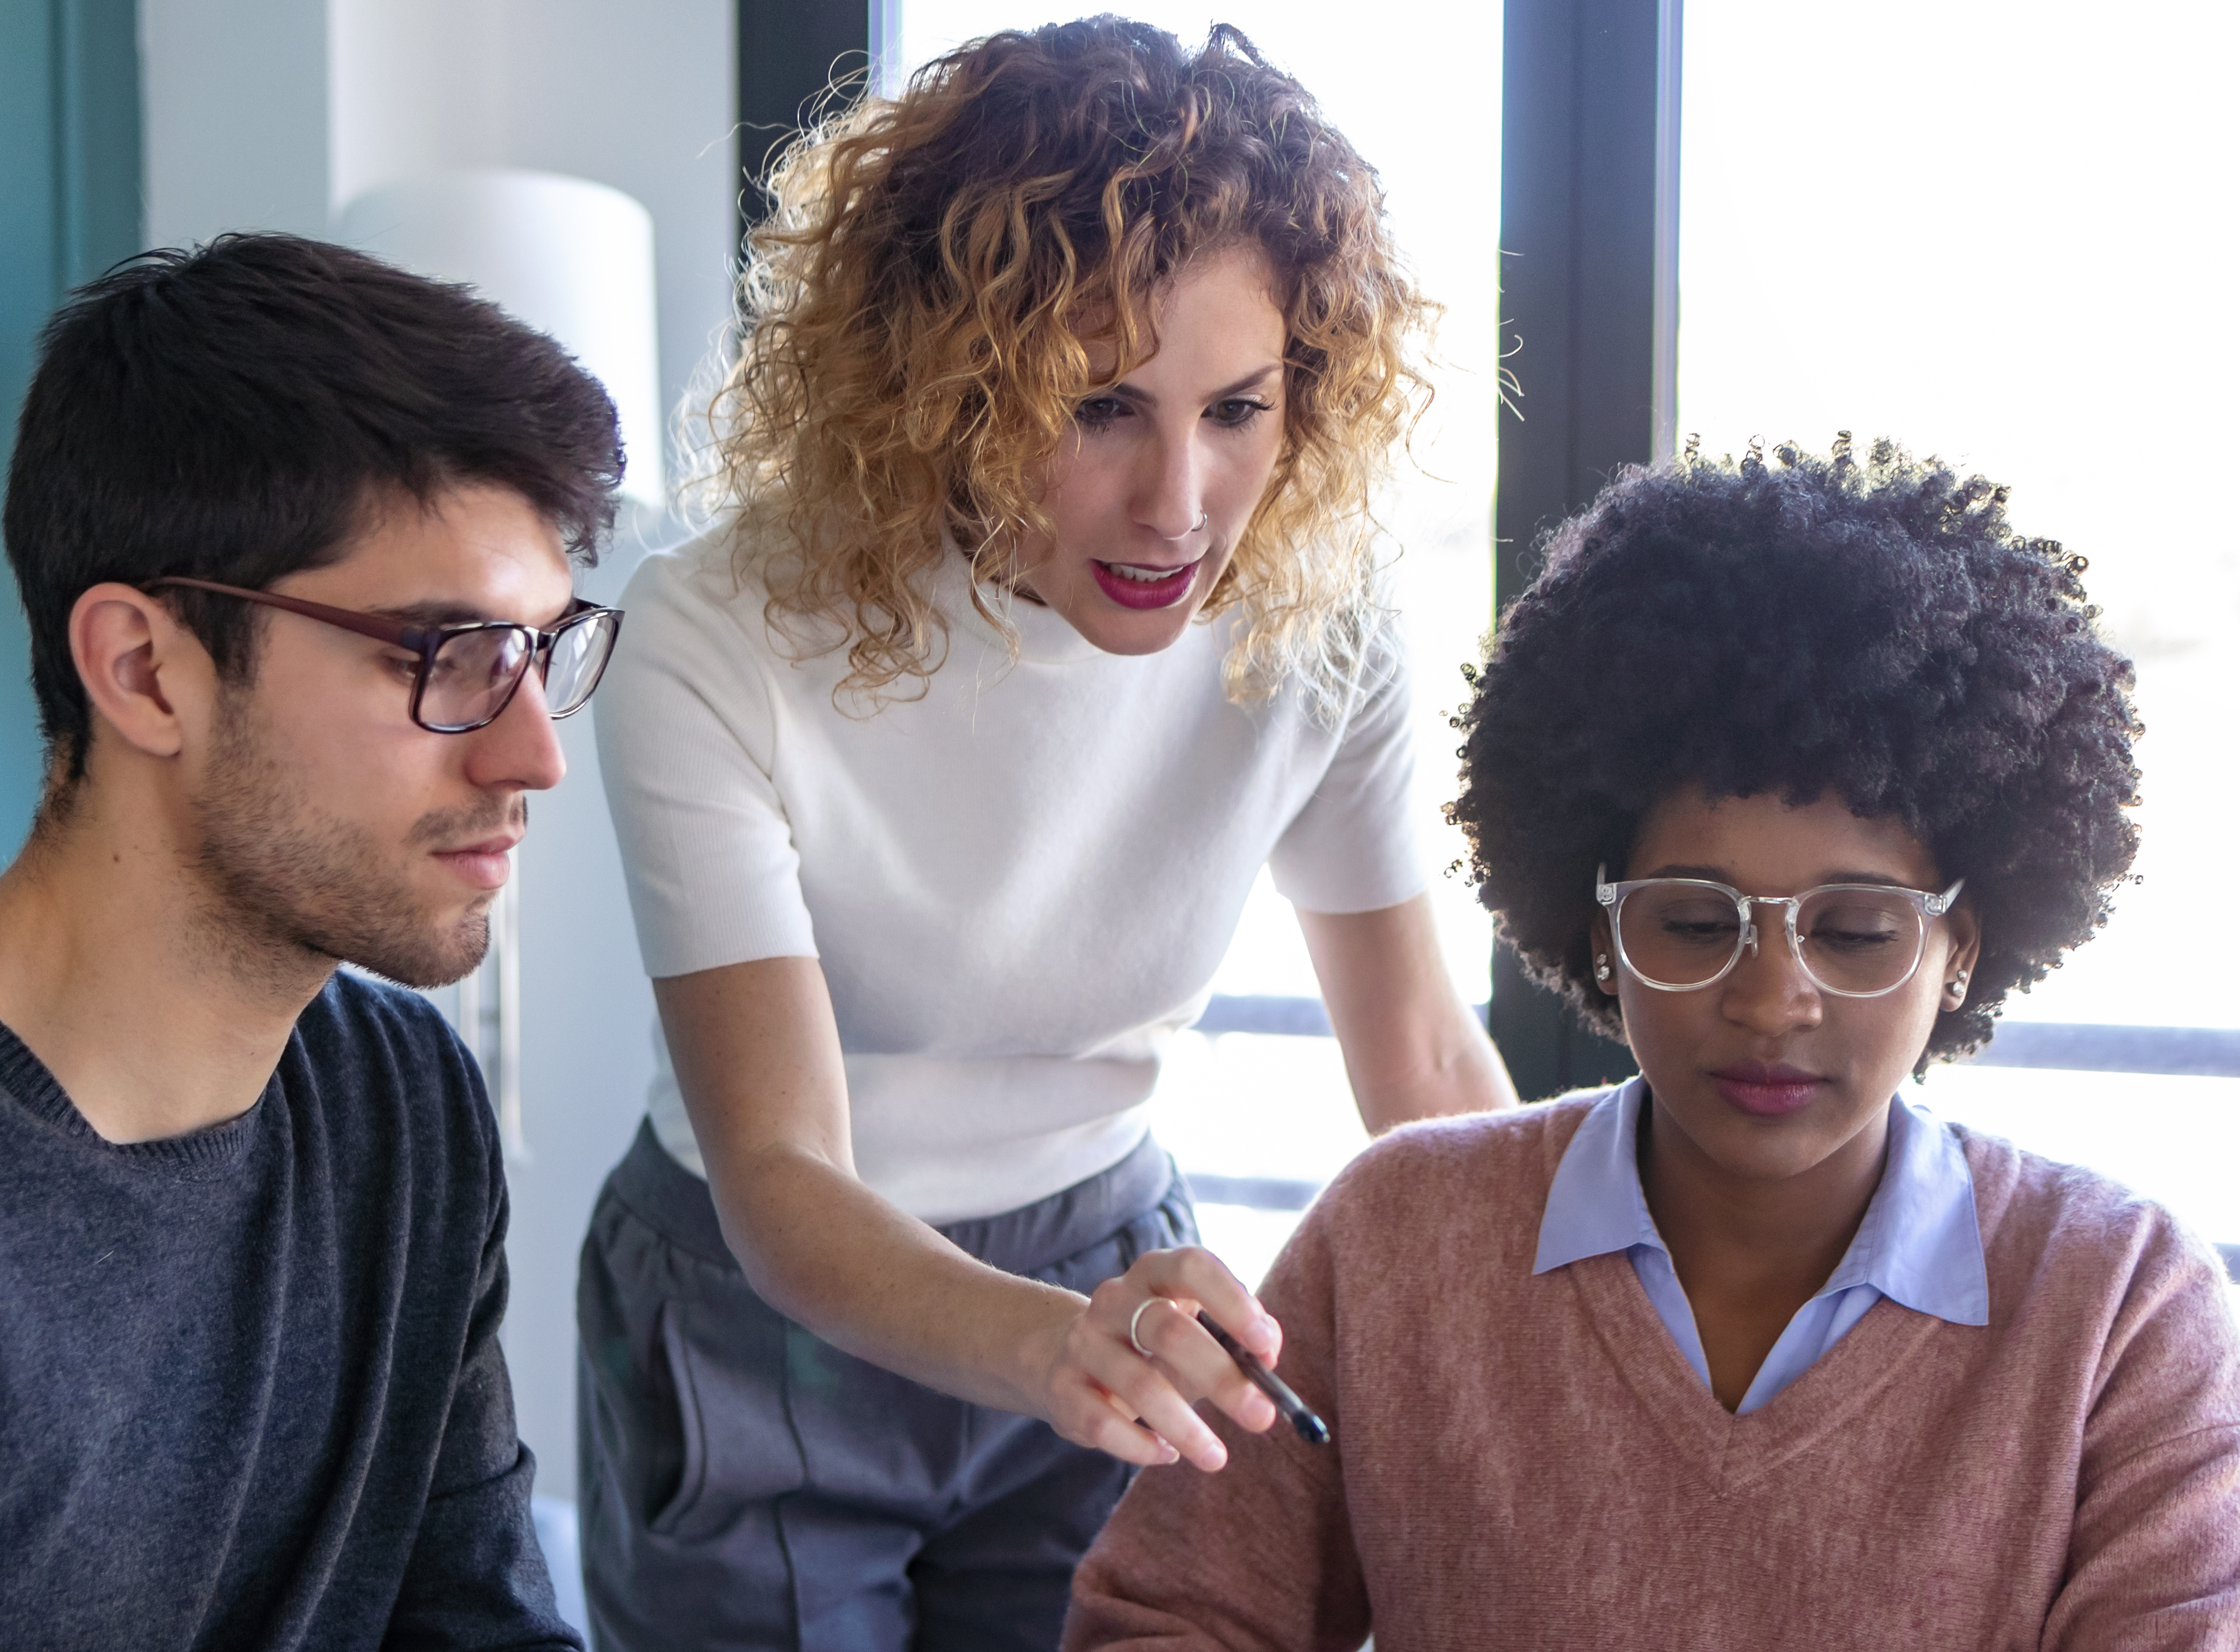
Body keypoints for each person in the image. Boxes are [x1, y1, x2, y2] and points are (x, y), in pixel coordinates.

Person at [578, 18, 1517, 1649]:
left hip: (1110, 1258)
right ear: (942, 385)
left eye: (1239, 408)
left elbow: (1426, 1066)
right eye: (1098, 410)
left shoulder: (1323, 621)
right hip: (769, 1309)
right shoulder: (714, 632)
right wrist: (1057, 1343)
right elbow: (784, 1170)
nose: (1181, 504)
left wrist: (1588, 1356)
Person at [1066, 437, 2240, 1649]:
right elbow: (1170, 1616)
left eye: (1850, 930)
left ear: (1962, 950)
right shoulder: (1392, 1241)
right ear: (1595, 925)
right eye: (1691, 920)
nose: (1771, 998)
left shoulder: (2116, 1306)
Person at [0, 233, 625, 1648]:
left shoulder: (403, 1107)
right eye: (443, 654)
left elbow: (470, 1615)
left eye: (540, 652)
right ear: (144, 670)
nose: (536, 755)